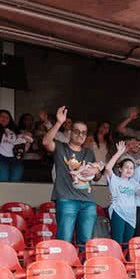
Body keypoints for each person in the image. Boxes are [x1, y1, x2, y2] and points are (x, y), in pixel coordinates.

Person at [42, 106, 103, 248]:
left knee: (86, 242)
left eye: (83, 133)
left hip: (88, 201)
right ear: (70, 132)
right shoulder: (61, 147)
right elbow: (46, 142)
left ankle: (82, 268)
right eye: (76, 131)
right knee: (64, 240)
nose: (80, 135)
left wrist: (96, 169)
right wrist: (58, 122)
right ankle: (63, 268)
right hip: (66, 199)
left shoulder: (89, 152)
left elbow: (97, 178)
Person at [103, 141, 140, 246]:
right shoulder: (115, 180)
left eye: (131, 168)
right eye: (126, 167)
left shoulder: (134, 183)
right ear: (120, 169)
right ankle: (116, 262)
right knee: (117, 242)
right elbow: (108, 168)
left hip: (131, 216)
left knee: (127, 244)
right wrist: (118, 153)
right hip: (118, 213)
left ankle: (124, 262)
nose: (129, 170)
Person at [0, 109, 31, 182]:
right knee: (3, 181)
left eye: (7, 117)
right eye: (2, 116)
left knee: (15, 182)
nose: (4, 118)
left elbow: (23, 148)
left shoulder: (15, 131)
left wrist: (28, 141)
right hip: (1, 158)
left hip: (15, 159)